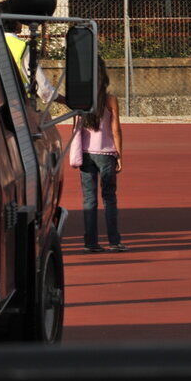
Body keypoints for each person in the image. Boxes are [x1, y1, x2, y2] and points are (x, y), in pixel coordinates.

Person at [70, 57, 126, 253]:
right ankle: (114, 240)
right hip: (107, 152)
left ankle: (90, 242)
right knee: (109, 197)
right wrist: (119, 154)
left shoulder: (81, 99)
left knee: (89, 199)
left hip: (86, 153)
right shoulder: (111, 100)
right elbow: (115, 129)